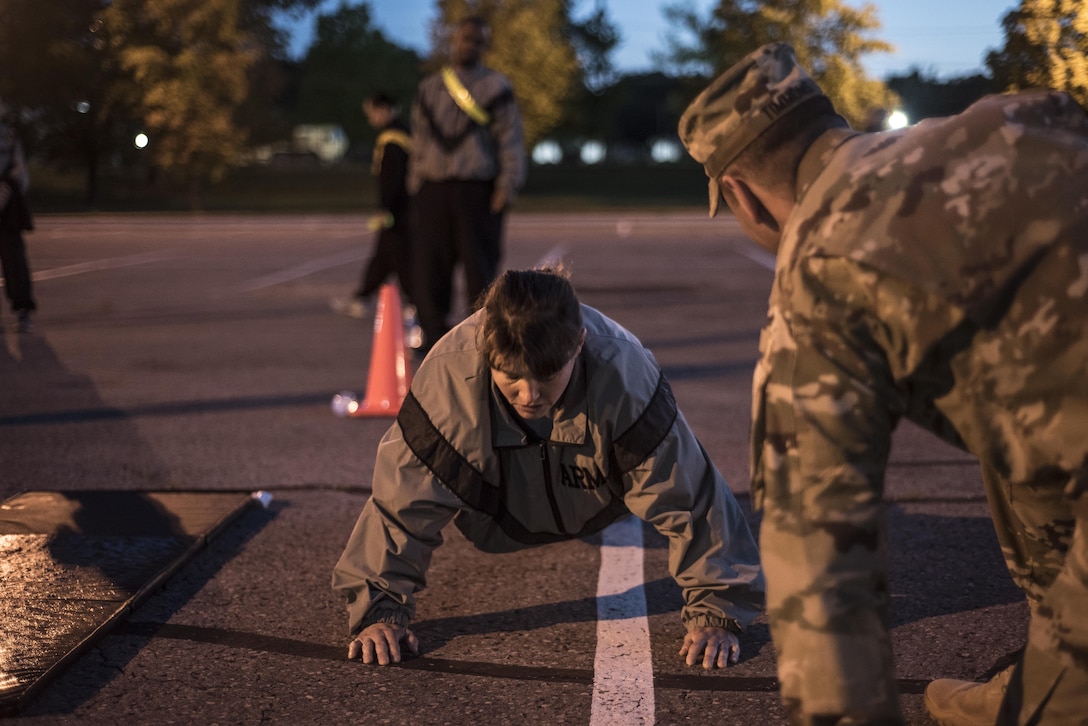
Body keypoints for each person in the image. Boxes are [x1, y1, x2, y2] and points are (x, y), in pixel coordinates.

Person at [678, 42, 1088, 725]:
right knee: (1013, 410)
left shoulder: (819, 267)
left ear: (743, 196)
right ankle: (1053, 651)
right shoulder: (1023, 115)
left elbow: (820, 563)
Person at [332, 267, 765, 669]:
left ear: (578, 343)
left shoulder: (624, 375)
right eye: (510, 376)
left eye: (547, 375)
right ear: (486, 351)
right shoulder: (449, 382)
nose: (529, 395)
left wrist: (717, 610)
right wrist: (380, 609)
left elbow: (691, 496)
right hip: (494, 517)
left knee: (672, 480)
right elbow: (400, 507)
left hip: (602, 500)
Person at [408, 15, 525, 354]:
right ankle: (434, 340)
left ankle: (483, 340)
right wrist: (415, 188)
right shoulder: (429, 88)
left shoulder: (497, 87)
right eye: (464, 39)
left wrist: (508, 184)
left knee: (482, 273)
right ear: (453, 42)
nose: (469, 45)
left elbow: (511, 140)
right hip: (434, 189)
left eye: (477, 40)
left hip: (478, 191)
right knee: (430, 272)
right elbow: (418, 142)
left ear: (484, 47)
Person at [330, 93, 418, 340]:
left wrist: (384, 208)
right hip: (403, 210)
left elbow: (391, 178)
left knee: (399, 258)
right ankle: (363, 297)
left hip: (397, 211)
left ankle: (414, 303)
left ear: (384, 109)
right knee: (385, 257)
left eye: (372, 113)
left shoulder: (392, 139)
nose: (371, 119)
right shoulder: (403, 133)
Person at [0, 96, 35, 334]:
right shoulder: (10, 135)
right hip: (8, 210)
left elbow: (19, 174)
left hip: (7, 211)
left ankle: (23, 311)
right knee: (15, 263)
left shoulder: (9, 136)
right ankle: (23, 312)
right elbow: (21, 177)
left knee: (14, 262)